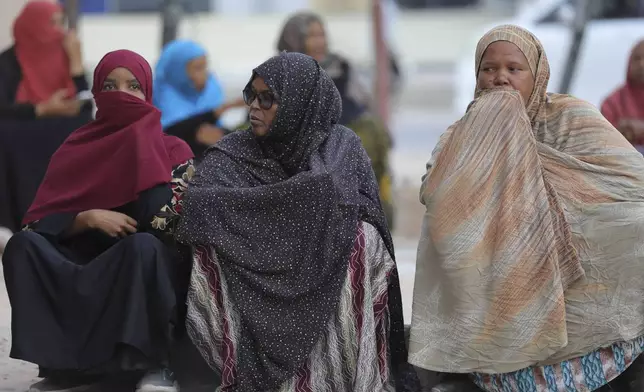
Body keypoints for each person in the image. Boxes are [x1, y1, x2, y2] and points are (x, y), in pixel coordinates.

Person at [409, 25, 644, 391]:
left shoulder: (570, 117)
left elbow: (631, 189)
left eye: (513, 69)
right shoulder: (461, 135)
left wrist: (557, 220)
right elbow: (438, 200)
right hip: (497, 303)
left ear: (537, 76)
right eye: (489, 69)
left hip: (587, 315)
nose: (500, 78)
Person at [176, 52, 419, 392]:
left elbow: (331, 191)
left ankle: (340, 373)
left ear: (298, 103)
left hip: (327, 267)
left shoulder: (340, 145)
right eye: (251, 95)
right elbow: (201, 201)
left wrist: (257, 215)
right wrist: (282, 216)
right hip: (255, 276)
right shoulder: (236, 150)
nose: (254, 108)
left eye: (267, 99)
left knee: (361, 238)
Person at [2, 49, 195, 392]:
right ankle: (65, 365)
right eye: (110, 85)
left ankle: (141, 362)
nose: (121, 94)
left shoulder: (173, 149)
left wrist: (142, 144)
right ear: (96, 94)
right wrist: (85, 218)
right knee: (22, 246)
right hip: (81, 258)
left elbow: (169, 225)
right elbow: (36, 225)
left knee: (143, 247)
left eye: (132, 86)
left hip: (136, 264)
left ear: (147, 93)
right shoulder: (77, 145)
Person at [277, 12, 396, 229]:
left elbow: (359, 104)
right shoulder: (282, 70)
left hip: (344, 139)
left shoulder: (340, 66)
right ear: (294, 38)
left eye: (322, 34)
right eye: (311, 35)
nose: (320, 41)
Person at [0, 1, 93, 236]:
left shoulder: (66, 56)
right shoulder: (7, 62)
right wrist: (41, 109)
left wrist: (77, 65)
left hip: (59, 130)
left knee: (83, 128)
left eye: (60, 22)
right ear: (32, 26)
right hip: (22, 132)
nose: (59, 30)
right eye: (51, 23)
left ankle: (70, 220)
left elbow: (85, 107)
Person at [154, 39, 245, 162]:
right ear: (177, 71)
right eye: (197, 68)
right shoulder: (161, 95)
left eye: (205, 67)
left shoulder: (211, 88)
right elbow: (170, 132)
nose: (204, 75)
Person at [600, 39, 644, 154]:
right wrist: (621, 131)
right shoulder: (611, 102)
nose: (641, 64)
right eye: (637, 58)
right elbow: (601, 138)